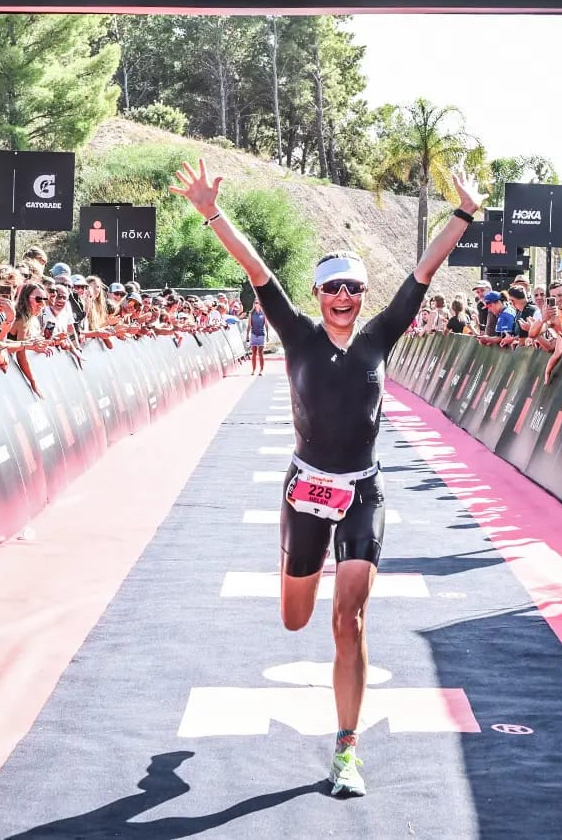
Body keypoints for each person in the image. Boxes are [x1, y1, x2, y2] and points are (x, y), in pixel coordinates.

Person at [169, 156, 484, 799]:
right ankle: (294, 560)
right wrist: (212, 213)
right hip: (306, 490)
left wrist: (464, 213)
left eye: (354, 289)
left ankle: (346, 749)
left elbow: (424, 272)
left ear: (364, 296)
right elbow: (257, 270)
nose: (344, 298)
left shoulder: (379, 337)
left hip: (364, 489)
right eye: (333, 288)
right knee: (295, 618)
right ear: (317, 295)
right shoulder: (298, 335)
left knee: (351, 618)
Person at [247, 297, 269, 374]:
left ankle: (261, 370)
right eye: (256, 303)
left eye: (258, 303)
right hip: (253, 334)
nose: (257, 304)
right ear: (254, 304)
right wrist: (247, 335)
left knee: (260, 352)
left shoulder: (264, 313)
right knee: (253, 352)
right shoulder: (251, 313)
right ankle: (253, 369)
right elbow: (249, 325)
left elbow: (266, 324)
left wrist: (267, 335)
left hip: (261, 334)